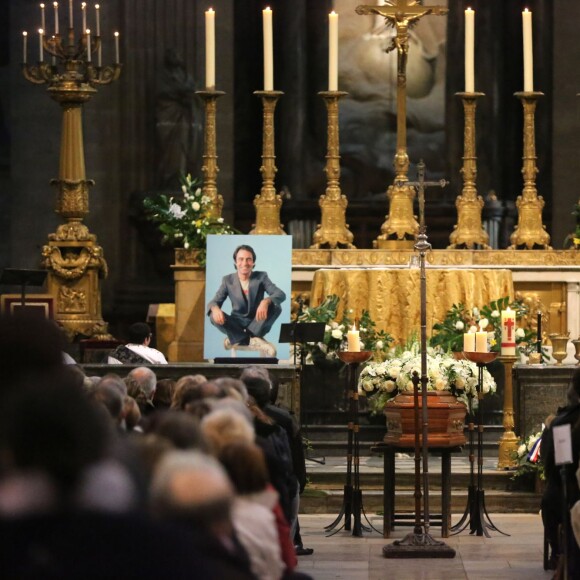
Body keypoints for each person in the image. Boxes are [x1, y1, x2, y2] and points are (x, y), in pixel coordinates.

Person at [207, 244, 285, 357]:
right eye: (241, 259)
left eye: (249, 259)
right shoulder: (227, 280)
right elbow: (214, 301)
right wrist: (215, 308)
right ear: (235, 262)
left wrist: (266, 301)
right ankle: (254, 341)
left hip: (257, 323)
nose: (244, 263)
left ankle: (235, 338)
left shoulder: (261, 277)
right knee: (212, 314)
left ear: (253, 262)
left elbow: (280, 294)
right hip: (236, 323)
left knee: (276, 306)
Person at [541, 368, 580, 575]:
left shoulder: (563, 423)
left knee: (551, 501)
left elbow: (552, 469)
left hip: (570, 493)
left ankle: (559, 552)